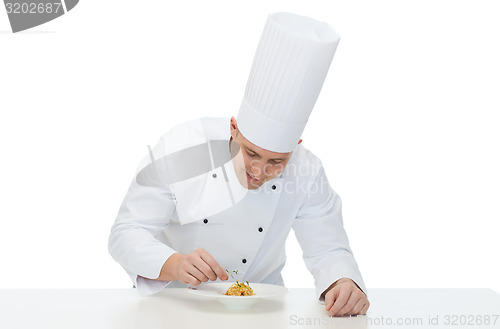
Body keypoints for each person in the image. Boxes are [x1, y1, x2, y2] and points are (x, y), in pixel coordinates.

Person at [109, 12, 370, 317]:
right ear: (233, 128)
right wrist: (175, 264)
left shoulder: (307, 170)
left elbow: (328, 248)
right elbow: (126, 232)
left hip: (264, 308)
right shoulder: (184, 147)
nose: (259, 172)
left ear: (295, 148)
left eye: (277, 161)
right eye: (251, 154)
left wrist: (343, 282)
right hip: (175, 305)